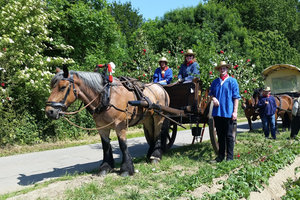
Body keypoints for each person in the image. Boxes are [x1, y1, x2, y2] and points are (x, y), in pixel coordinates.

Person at [209, 61, 240, 162]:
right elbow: (211, 94)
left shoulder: (232, 81)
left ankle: (230, 157)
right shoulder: (215, 82)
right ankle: (220, 156)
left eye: (224, 68)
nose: (222, 70)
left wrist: (235, 112)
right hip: (217, 113)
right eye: (221, 68)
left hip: (228, 112)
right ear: (218, 70)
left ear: (227, 69)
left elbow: (236, 97)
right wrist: (213, 98)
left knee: (229, 135)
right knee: (220, 135)